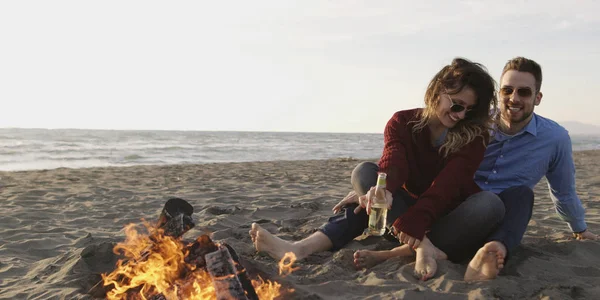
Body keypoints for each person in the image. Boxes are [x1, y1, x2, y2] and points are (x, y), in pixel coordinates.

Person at [249, 57, 501, 281]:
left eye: (469, 111)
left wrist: (415, 220)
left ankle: (413, 245)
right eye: (456, 105)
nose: (460, 116)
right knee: (366, 177)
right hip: (403, 218)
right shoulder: (403, 121)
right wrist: (384, 190)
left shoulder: (474, 136)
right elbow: (394, 160)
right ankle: (300, 249)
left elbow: (448, 185)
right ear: (437, 92)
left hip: (445, 218)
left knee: (489, 205)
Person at [351, 57, 599, 282]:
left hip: (493, 217)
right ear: (499, 93)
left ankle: (493, 251)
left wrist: (579, 228)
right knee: (364, 172)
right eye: (507, 90)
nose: (514, 98)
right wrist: (381, 186)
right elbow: (424, 163)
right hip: (449, 206)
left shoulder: (555, 138)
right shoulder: (472, 121)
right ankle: (418, 248)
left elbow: (563, 190)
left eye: (524, 92)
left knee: (520, 195)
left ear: (537, 98)